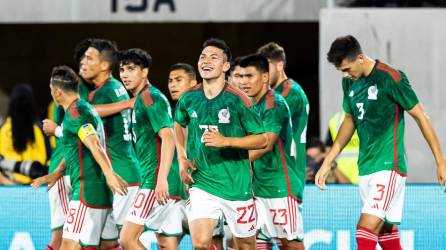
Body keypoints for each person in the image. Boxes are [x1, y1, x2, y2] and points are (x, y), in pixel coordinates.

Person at [315, 35, 446, 250]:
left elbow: (421, 116)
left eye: (347, 69)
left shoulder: (390, 78)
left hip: (388, 167)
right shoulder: (349, 82)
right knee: (387, 234)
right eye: (341, 71)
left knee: (365, 230)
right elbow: (350, 120)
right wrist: (328, 160)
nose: (346, 75)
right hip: (366, 167)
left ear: (359, 57)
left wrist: (440, 160)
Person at [174, 38, 267, 250]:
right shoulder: (189, 98)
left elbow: (262, 139)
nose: (206, 61)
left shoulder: (238, 99)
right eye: (202, 57)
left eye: (213, 58)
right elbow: (178, 124)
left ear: (225, 66)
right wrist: (181, 158)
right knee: (200, 243)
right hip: (202, 182)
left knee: (245, 245)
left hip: (236, 185)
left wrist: (226, 141)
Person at [33, 65, 128, 250]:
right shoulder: (83, 108)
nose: (52, 94)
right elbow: (76, 149)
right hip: (100, 191)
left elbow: (93, 143)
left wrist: (110, 174)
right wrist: (56, 174)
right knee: (107, 246)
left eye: (52, 90)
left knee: (68, 245)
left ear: (58, 92)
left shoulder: (75, 113)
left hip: (86, 192)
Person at [239, 54, 304, 250]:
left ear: (265, 77)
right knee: (255, 242)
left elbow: (265, 144)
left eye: (249, 76)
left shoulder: (273, 103)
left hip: (280, 186)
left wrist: (234, 165)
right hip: (257, 188)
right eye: (241, 77)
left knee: (290, 244)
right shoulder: (249, 106)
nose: (243, 82)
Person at [116, 48, 176, 250]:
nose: (124, 74)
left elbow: (168, 137)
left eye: (131, 69)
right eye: (122, 69)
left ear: (144, 72)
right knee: (166, 242)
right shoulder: (143, 99)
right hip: (153, 178)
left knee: (127, 238)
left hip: (155, 179)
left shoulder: (150, 98)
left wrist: (161, 179)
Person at [257, 42, 308, 250]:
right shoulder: (271, 94)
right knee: (259, 238)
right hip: (264, 174)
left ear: (279, 65)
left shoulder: (289, 94)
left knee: (289, 242)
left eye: (265, 67)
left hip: (285, 173)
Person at [0, 83, 50, 184]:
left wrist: (7, 182)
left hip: (10, 185)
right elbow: (49, 157)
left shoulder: (3, 129)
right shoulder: (39, 129)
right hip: (36, 185)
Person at [325, 111, 360, 184]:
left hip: (343, 176)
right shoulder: (372, 116)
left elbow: (328, 149)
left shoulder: (335, 120)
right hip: (364, 175)